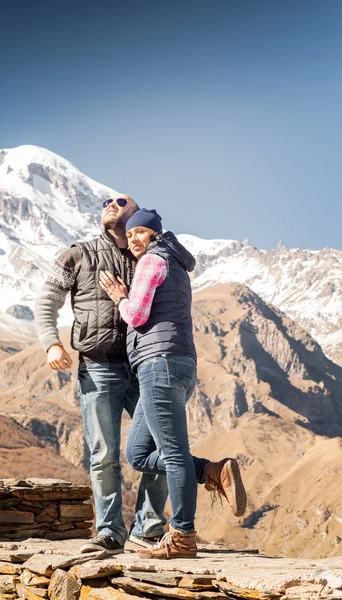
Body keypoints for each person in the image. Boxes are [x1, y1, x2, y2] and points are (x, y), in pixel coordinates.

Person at [99, 208, 247, 559]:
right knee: (138, 453)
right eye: (130, 234)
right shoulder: (175, 262)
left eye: (141, 232)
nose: (134, 239)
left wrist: (120, 296)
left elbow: (136, 314)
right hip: (177, 364)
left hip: (159, 365)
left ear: (154, 234)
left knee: (174, 453)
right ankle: (211, 470)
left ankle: (182, 536)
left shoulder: (153, 261)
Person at [35, 196, 168, 555]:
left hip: (146, 367)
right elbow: (47, 300)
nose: (111, 203)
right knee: (103, 452)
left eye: (121, 201)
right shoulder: (78, 254)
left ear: (136, 215)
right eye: (107, 200)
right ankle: (109, 531)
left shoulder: (152, 258)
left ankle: (149, 530)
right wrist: (52, 343)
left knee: (159, 447)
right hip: (98, 366)